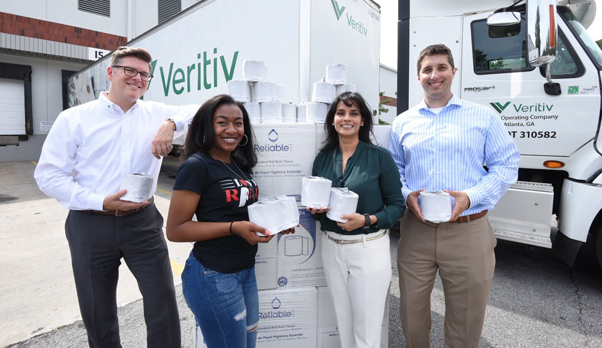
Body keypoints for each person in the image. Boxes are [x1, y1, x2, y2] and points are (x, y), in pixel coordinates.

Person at [34, 46, 199, 348]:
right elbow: (48, 175)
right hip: (90, 224)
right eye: (130, 70)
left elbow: (204, 110)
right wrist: (99, 201)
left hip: (142, 223)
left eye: (145, 74)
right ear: (111, 72)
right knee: (97, 310)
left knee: (162, 301)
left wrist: (172, 124)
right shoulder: (74, 119)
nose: (138, 78)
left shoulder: (156, 113)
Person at [388, 43, 520, 348]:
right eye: (427, 70)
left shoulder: (482, 117)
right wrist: (406, 194)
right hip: (417, 231)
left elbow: (507, 164)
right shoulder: (403, 122)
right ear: (418, 76)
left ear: (453, 71)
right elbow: (394, 169)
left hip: (468, 231)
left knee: (466, 319)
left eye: (441, 68)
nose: (434, 75)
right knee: (411, 314)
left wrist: (470, 197)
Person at [166, 94, 292, 348]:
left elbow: (240, 213)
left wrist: (276, 223)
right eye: (222, 122)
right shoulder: (197, 166)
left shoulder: (238, 164)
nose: (232, 130)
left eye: (238, 123)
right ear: (207, 126)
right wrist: (235, 228)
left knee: (247, 344)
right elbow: (176, 230)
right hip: (213, 274)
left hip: (245, 271)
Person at [306, 91, 405, 348]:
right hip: (331, 247)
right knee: (344, 325)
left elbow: (398, 206)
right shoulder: (323, 159)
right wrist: (316, 210)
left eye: (354, 113)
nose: (346, 118)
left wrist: (367, 219)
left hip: (367, 247)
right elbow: (318, 206)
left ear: (363, 121)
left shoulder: (379, 157)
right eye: (341, 113)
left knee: (367, 331)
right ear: (332, 120)